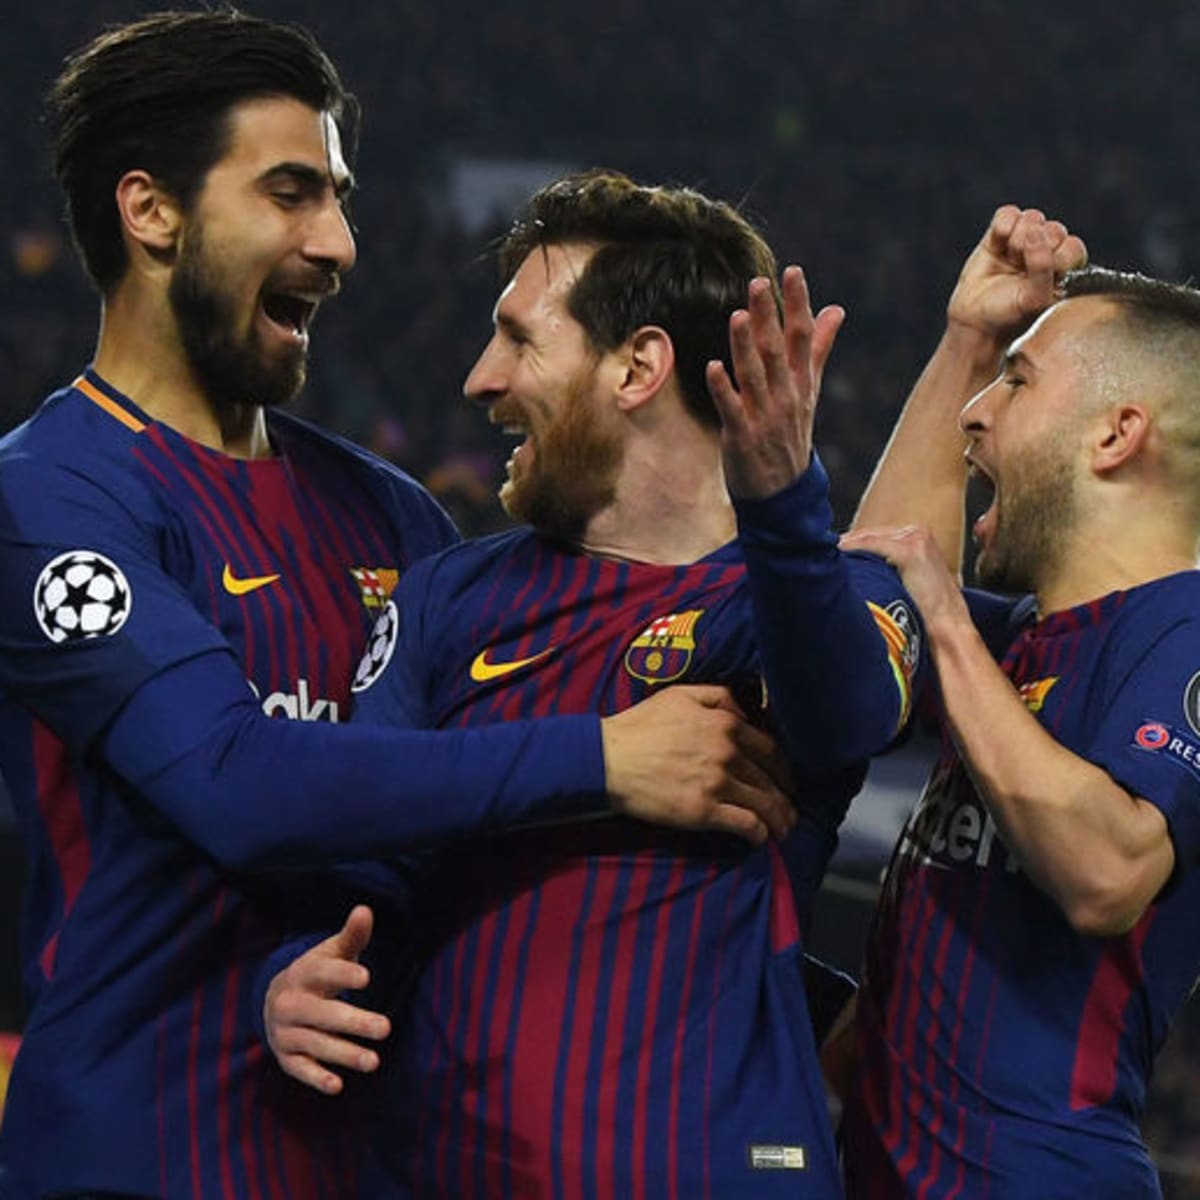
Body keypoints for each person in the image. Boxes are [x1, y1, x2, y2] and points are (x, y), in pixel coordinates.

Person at [0, 17, 793, 1200]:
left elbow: (471, 832)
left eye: (339, 198)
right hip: (140, 1152)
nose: (338, 243)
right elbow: (230, 778)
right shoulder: (50, 495)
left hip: (379, 1159)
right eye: (289, 193)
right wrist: (604, 756)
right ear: (151, 211)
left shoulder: (392, 516)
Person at [262, 169, 923, 1197]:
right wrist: (295, 972)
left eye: (518, 339)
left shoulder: (809, 593)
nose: (480, 380)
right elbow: (357, 836)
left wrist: (784, 506)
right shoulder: (449, 596)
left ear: (638, 368)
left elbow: (846, 714)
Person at [722, 203, 1195, 1197]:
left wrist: (941, 612)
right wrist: (968, 337)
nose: (975, 412)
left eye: (1015, 380)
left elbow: (1108, 871)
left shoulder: (1181, 630)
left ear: (1117, 434)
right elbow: (875, 593)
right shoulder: (1015, 641)